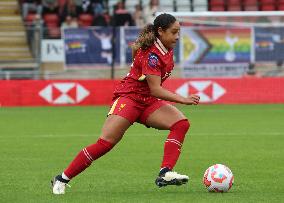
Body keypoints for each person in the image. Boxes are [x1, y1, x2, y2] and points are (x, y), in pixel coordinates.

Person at [51, 13, 200, 195]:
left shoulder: (166, 48)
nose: (177, 36)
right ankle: (61, 179)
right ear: (160, 31)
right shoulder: (152, 54)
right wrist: (182, 98)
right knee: (106, 143)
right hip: (129, 98)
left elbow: (151, 91)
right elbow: (155, 89)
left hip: (147, 102)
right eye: (174, 32)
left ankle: (165, 172)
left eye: (179, 32)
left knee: (180, 124)